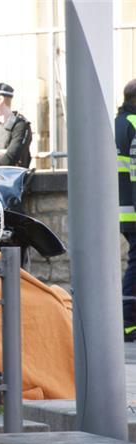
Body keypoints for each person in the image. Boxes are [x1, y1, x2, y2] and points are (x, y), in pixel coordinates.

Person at [116, 79, 136, 341]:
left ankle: (128, 321)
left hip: (123, 208)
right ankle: (128, 323)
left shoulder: (117, 122)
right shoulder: (133, 123)